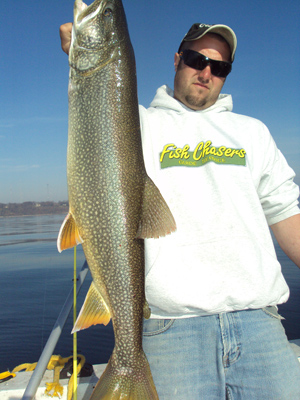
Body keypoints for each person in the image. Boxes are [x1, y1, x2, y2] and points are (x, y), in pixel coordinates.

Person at [60, 21, 300, 399]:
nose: (206, 72)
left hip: (259, 323)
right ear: (177, 60)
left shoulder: (253, 133)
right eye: (196, 59)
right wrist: (84, 54)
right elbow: (99, 105)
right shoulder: (136, 124)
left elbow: (287, 214)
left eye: (219, 67)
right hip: (169, 329)